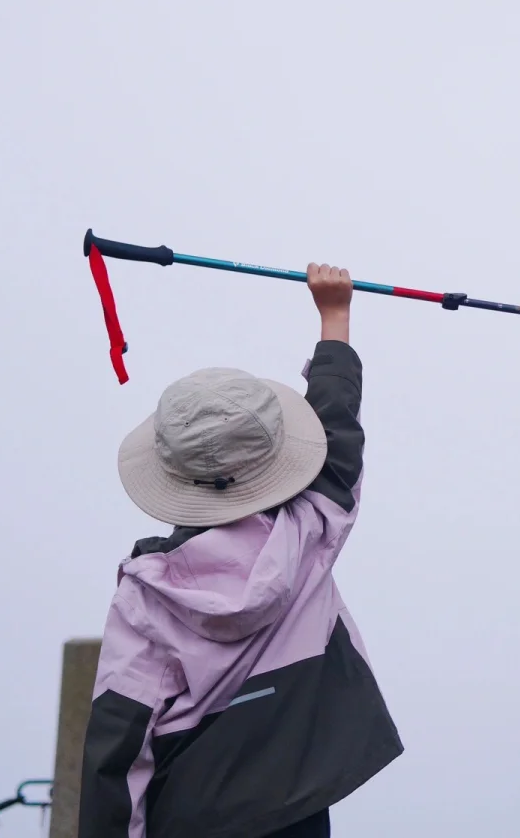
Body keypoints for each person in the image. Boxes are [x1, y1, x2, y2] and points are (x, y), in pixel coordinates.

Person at [78, 264, 403, 838]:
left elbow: (118, 747)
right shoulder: (308, 533)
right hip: (298, 808)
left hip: (189, 815)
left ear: (172, 473)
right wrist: (335, 315)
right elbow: (338, 431)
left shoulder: (144, 599)